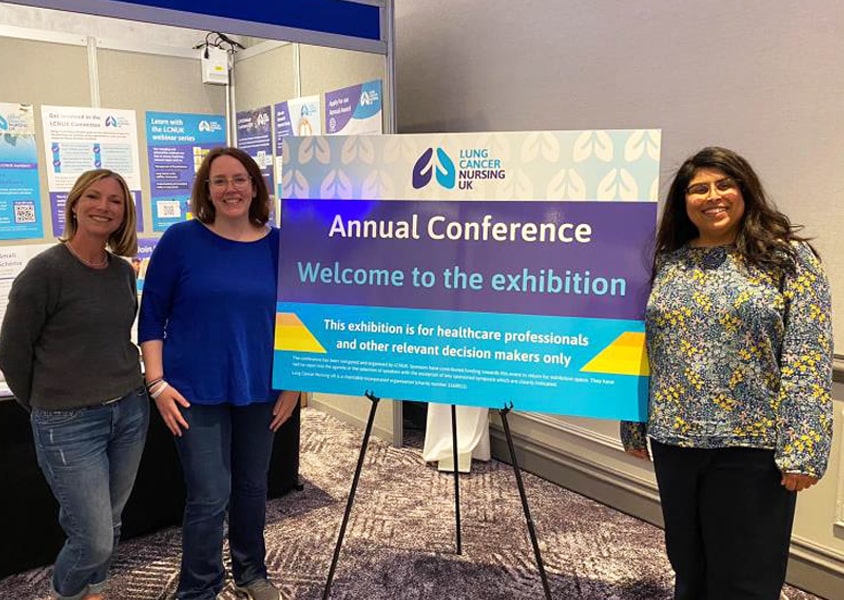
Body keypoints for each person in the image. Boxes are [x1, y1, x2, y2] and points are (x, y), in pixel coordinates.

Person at [621, 147, 833, 600]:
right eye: (698, 189)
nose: (712, 196)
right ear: (683, 201)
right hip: (675, 440)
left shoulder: (786, 258)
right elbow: (648, 349)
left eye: (724, 184)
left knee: (745, 577)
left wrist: (804, 446)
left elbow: (808, 354)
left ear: (745, 189)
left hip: (752, 446)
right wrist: (633, 421)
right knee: (688, 564)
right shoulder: (670, 261)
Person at [138, 147, 299, 600]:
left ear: (255, 186)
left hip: (261, 386)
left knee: (251, 487)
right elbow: (152, 317)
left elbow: (300, 316)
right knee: (209, 495)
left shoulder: (280, 244)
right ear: (206, 190)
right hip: (193, 390)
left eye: (240, 178)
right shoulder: (181, 240)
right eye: (220, 180)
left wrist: (294, 383)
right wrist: (157, 383)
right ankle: (199, 587)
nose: (231, 188)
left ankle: (251, 573)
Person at [0, 169, 149, 600]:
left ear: (124, 215)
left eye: (115, 201)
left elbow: (116, 334)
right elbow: (12, 351)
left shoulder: (121, 272)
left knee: (111, 520)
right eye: (94, 196)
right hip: (67, 422)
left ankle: (93, 589)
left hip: (129, 411)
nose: (104, 206)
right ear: (75, 204)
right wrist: (46, 406)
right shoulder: (44, 271)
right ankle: (65, 593)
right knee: (94, 536)